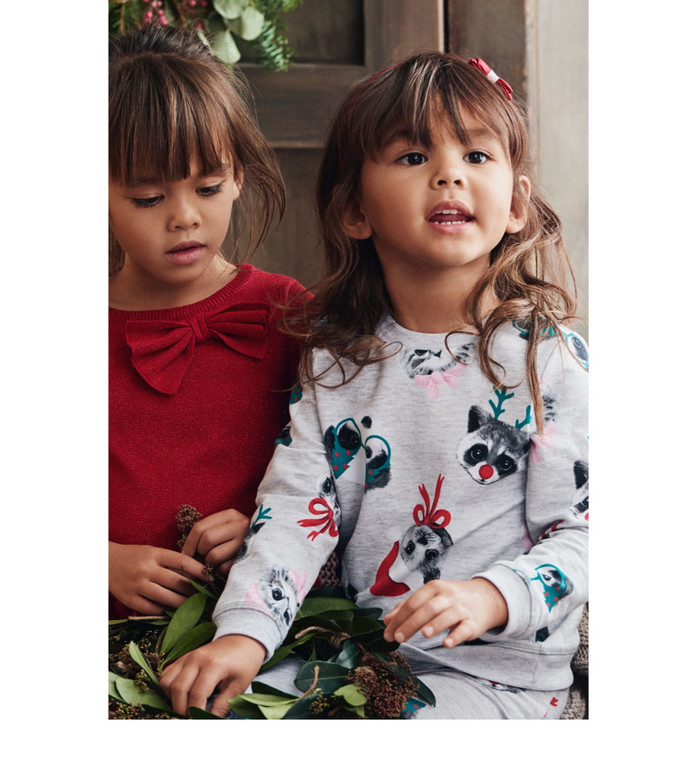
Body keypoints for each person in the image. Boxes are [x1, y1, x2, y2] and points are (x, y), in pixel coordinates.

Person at [160, 52, 588, 719]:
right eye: (414, 156)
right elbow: (297, 509)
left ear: (515, 205)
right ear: (355, 210)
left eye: (476, 156)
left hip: (500, 680)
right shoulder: (337, 361)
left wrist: (491, 595)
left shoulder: (547, 361)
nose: (449, 173)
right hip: (359, 660)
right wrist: (244, 634)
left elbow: (588, 533)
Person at [109, 25, 306, 619]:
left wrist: (269, 531)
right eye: (148, 198)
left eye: (209, 186)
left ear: (239, 175)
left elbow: (343, 483)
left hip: (260, 629)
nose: (185, 217)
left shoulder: (290, 313)